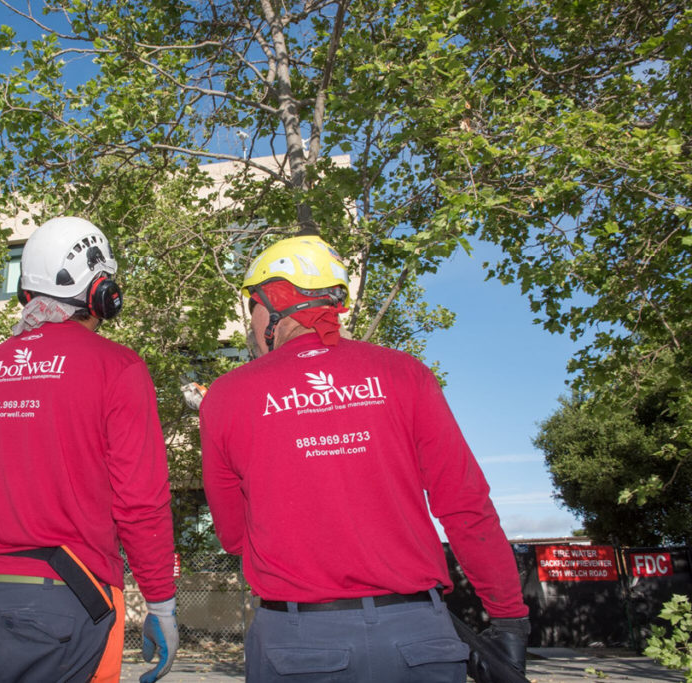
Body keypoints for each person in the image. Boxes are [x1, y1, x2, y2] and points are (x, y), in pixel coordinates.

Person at [199, 235, 529, 683]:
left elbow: (235, 536)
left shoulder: (227, 395)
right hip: (420, 636)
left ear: (275, 301)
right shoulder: (404, 372)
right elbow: (466, 504)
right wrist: (509, 617)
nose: (251, 322)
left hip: (298, 644)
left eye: (253, 305)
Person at [0, 216, 178, 683]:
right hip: (68, 601)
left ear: (28, 293)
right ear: (102, 292)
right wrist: (161, 603)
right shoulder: (117, 367)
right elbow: (141, 502)